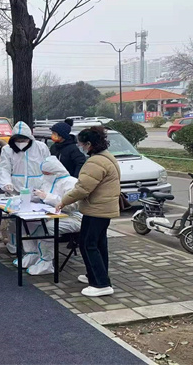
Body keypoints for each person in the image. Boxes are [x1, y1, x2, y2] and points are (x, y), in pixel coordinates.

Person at [56, 126, 120, 297]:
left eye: (81, 144)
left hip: (96, 209)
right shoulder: (106, 157)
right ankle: (95, 274)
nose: (80, 147)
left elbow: (82, 189)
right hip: (103, 208)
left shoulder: (95, 162)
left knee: (88, 244)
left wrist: (63, 201)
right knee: (98, 244)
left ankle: (101, 283)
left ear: (89, 144)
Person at [16, 156, 81, 275]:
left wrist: (47, 197)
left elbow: (71, 206)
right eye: (43, 173)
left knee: (48, 228)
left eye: (47, 173)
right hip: (50, 215)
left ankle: (46, 261)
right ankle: (33, 254)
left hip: (73, 217)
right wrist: (32, 195)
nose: (45, 176)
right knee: (27, 223)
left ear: (55, 171)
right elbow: (43, 198)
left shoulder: (71, 182)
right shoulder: (48, 182)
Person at [0, 121, 51, 253]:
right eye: (18, 140)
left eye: (24, 140)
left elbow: (48, 167)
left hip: (37, 189)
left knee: (36, 220)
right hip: (16, 190)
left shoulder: (41, 147)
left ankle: (35, 247)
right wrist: (6, 183)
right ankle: (14, 245)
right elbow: (4, 168)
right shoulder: (8, 150)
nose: (21, 143)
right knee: (15, 221)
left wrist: (46, 187)